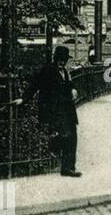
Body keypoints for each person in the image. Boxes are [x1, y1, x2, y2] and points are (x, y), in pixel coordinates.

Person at [18, 45, 81, 177]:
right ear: (55, 58)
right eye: (60, 59)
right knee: (65, 135)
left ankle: (69, 168)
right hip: (55, 110)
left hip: (67, 110)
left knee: (72, 136)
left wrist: (73, 89)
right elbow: (35, 84)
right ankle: (56, 154)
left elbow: (69, 85)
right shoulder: (48, 70)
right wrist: (23, 99)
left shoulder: (65, 72)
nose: (62, 62)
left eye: (64, 59)